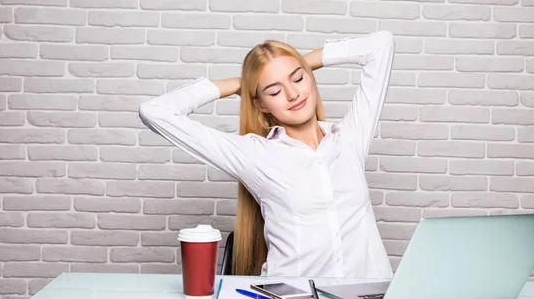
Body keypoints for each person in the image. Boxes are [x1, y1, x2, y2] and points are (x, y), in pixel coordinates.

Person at [139, 30, 395, 279]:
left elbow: (381, 44)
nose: (293, 94)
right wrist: (240, 84)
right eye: (274, 91)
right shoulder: (255, 155)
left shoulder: (349, 138)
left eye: (298, 79)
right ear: (260, 104)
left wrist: (300, 63)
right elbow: (155, 111)